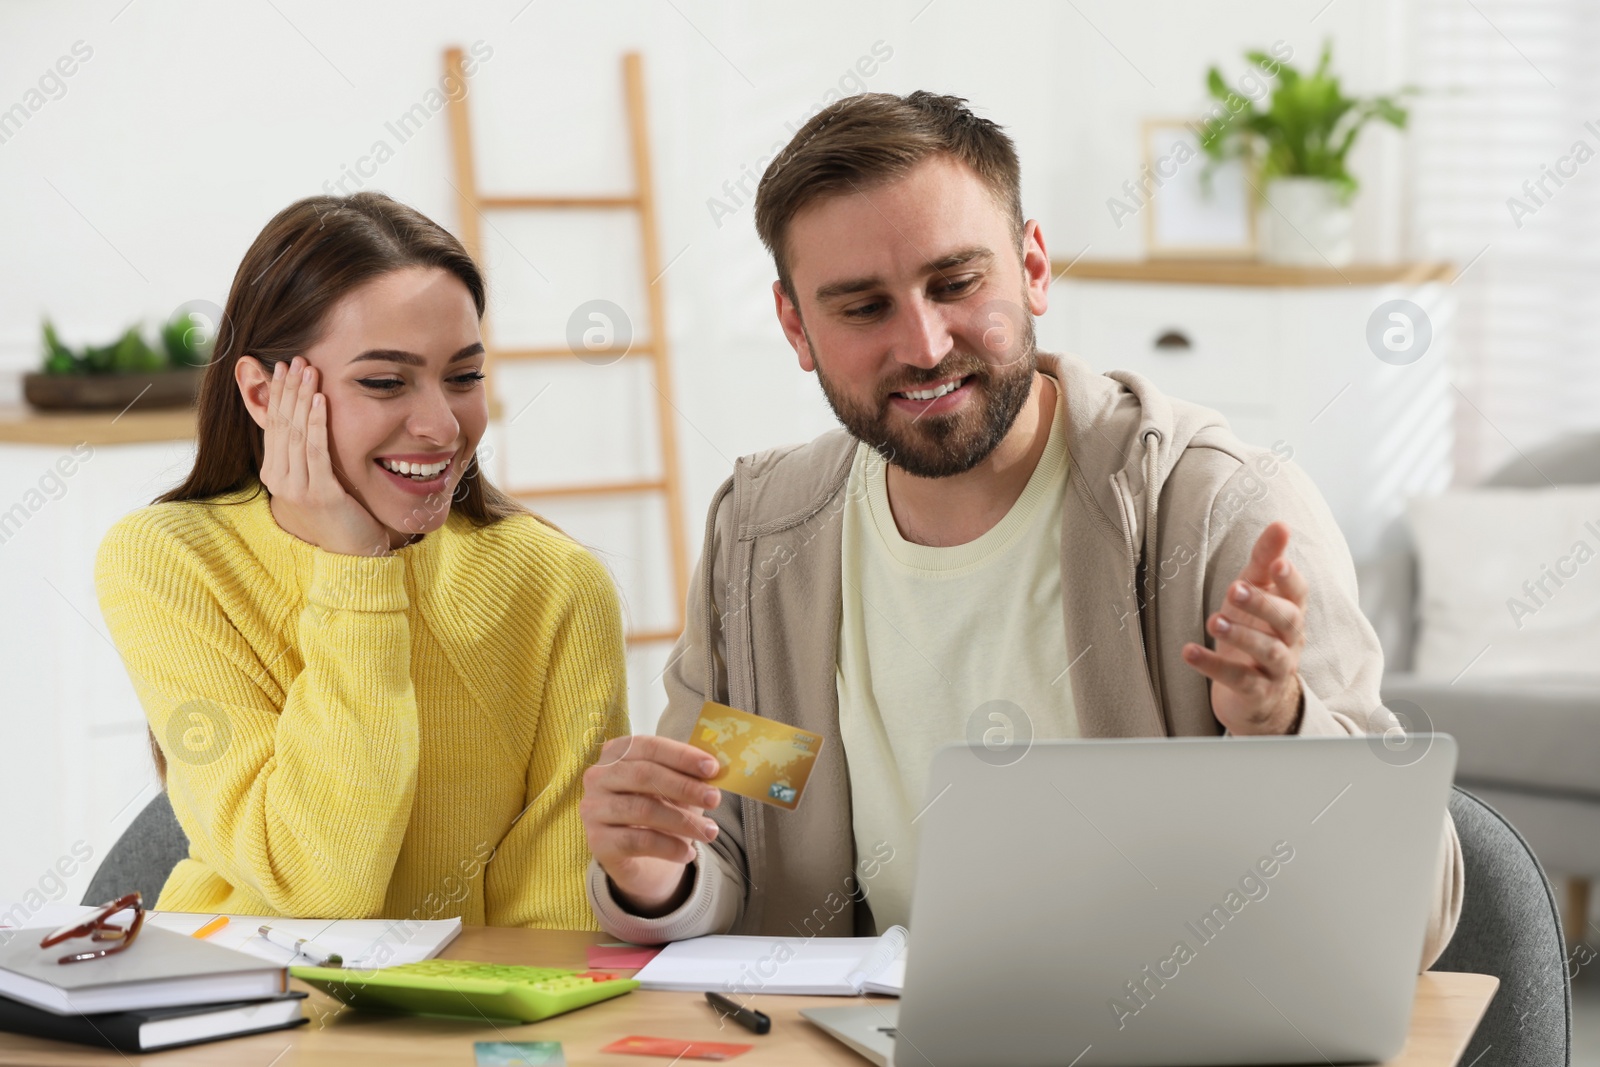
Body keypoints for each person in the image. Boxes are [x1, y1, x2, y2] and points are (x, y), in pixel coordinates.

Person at [579, 91, 1463, 968]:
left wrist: (1281, 729)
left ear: (1033, 266)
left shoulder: (1221, 509)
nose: (924, 344)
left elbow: (1414, 916)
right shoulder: (764, 536)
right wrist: (656, 872)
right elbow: (730, 840)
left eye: (957, 284)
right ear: (794, 326)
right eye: (862, 308)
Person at [96, 192, 627, 927]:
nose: (442, 426)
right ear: (262, 393)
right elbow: (315, 889)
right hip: (238, 1017)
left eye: (465, 376)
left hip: (463, 1034)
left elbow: (560, 924)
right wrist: (355, 568)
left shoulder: (555, 585)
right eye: (385, 381)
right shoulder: (168, 561)